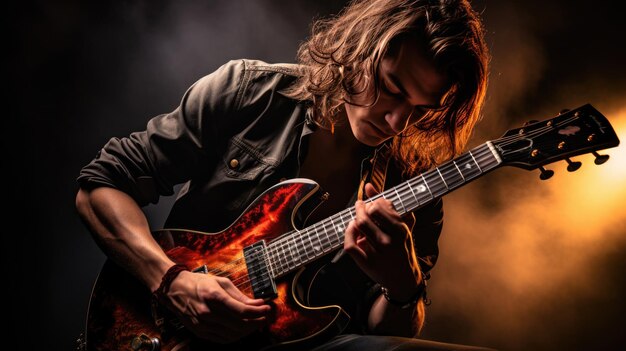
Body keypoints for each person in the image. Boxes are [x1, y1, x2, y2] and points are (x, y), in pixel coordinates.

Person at [75, 0, 496, 350]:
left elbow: (390, 334)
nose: (397, 121)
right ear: (361, 46)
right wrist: (168, 281)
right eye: (393, 87)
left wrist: (402, 286)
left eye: (420, 109)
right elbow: (99, 188)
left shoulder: (416, 185)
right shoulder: (247, 91)